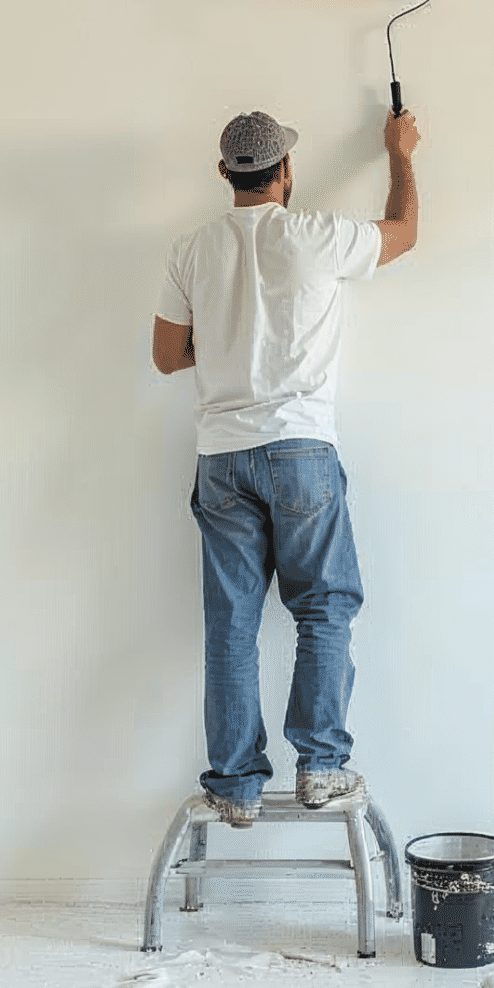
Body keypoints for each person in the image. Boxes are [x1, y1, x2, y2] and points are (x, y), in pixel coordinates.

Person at [152, 107, 422, 827]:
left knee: (232, 623)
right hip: (302, 449)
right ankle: (323, 766)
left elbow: (166, 354)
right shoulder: (316, 235)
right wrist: (400, 153)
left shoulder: (191, 250)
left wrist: (232, 346)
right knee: (325, 607)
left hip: (222, 457)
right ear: (286, 170)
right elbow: (404, 232)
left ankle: (235, 785)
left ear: (223, 174)